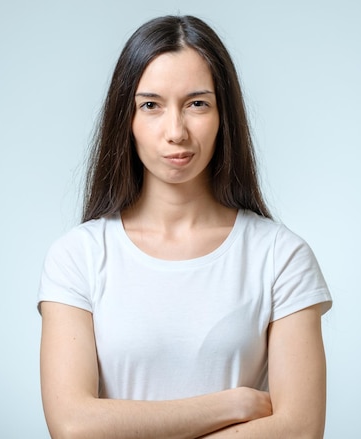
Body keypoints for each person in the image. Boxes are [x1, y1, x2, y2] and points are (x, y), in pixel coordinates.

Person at [38, 15, 332, 439]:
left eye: (197, 103)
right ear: (127, 119)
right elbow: (73, 427)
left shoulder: (280, 257)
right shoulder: (77, 256)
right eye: (151, 105)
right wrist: (231, 403)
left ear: (223, 116)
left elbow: (300, 430)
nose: (175, 132)